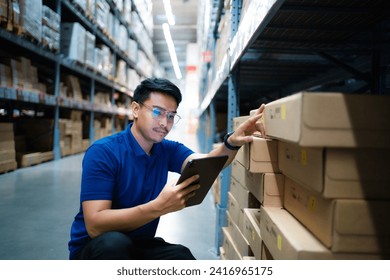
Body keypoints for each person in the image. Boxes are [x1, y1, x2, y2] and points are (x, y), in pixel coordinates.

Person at [68, 77, 265, 260]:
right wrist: (158, 207)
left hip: (137, 243)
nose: (164, 123)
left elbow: (206, 163)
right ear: (135, 109)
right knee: (115, 245)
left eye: (171, 116)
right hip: (96, 247)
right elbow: (95, 225)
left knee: (181, 257)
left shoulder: (166, 149)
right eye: (157, 112)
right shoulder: (104, 152)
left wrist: (231, 143)